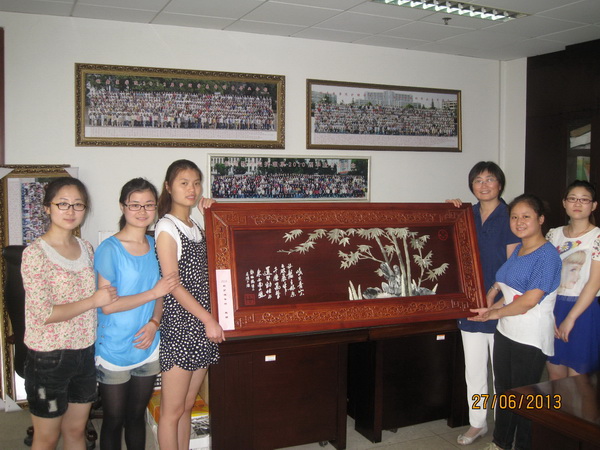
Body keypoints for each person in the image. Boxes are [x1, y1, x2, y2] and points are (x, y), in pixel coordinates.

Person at [22, 177, 119, 450]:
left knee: (76, 431)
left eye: (78, 204)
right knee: (47, 438)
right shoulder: (35, 254)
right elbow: (43, 313)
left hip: (84, 353)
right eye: (62, 204)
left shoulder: (86, 248)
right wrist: (93, 301)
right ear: (47, 208)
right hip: (49, 358)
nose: (71, 211)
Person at [469, 193, 562, 450]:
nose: (519, 222)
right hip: (507, 330)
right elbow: (511, 291)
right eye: (514, 217)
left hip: (530, 336)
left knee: (524, 396)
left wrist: (495, 313)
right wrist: (492, 307)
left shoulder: (547, 256)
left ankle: (522, 445)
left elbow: (529, 300)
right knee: (505, 391)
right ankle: (500, 443)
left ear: (540, 219)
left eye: (526, 216)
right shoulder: (520, 249)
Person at [94, 178, 180, 450]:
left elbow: (162, 293)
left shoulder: (155, 244)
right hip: (114, 349)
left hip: (148, 345)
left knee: (136, 416)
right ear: (123, 207)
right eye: (135, 205)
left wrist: (155, 322)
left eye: (148, 205)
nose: (142, 211)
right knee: (114, 419)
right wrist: (153, 293)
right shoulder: (109, 249)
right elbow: (108, 305)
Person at [447, 161, 519, 445]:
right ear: (471, 186)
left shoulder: (512, 216)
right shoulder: (466, 214)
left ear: (500, 183)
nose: (484, 185)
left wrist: (496, 303)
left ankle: (504, 427)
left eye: (490, 179)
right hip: (470, 305)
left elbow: (513, 265)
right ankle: (478, 423)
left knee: (501, 373)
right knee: (474, 369)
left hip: (501, 305)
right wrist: (447, 211)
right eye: (478, 180)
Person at [155, 159, 224, 450]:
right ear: (169, 187)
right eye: (184, 183)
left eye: (196, 183)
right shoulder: (166, 227)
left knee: (186, 406)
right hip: (182, 326)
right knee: (171, 411)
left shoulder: (195, 225)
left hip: (202, 325)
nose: (192, 189)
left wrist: (212, 215)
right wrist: (208, 319)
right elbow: (173, 284)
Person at [546, 180, 600, 379]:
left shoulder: (597, 237)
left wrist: (570, 318)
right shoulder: (553, 234)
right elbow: (547, 276)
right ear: (564, 203)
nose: (578, 203)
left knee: (579, 381)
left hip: (584, 310)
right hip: (554, 307)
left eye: (584, 200)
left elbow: (594, 283)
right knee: (555, 376)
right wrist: (549, 313)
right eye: (572, 199)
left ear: (593, 205)